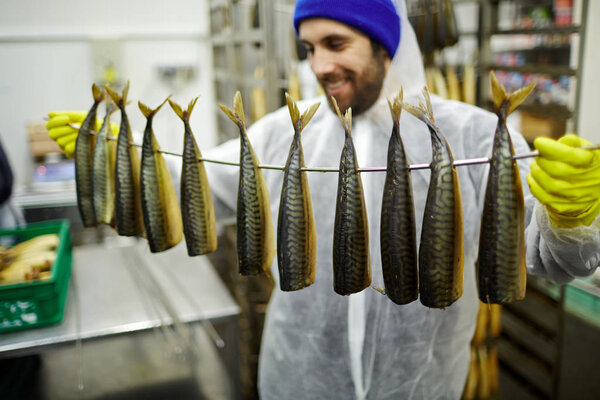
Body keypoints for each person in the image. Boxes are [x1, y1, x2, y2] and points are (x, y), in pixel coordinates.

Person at [46, 0, 600, 398]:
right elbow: (187, 199)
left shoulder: (475, 136)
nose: (319, 65)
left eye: (337, 44)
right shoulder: (281, 134)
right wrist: (111, 160)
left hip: (420, 385)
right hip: (298, 382)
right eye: (309, 47)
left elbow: (551, 260)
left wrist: (572, 217)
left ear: (386, 44)